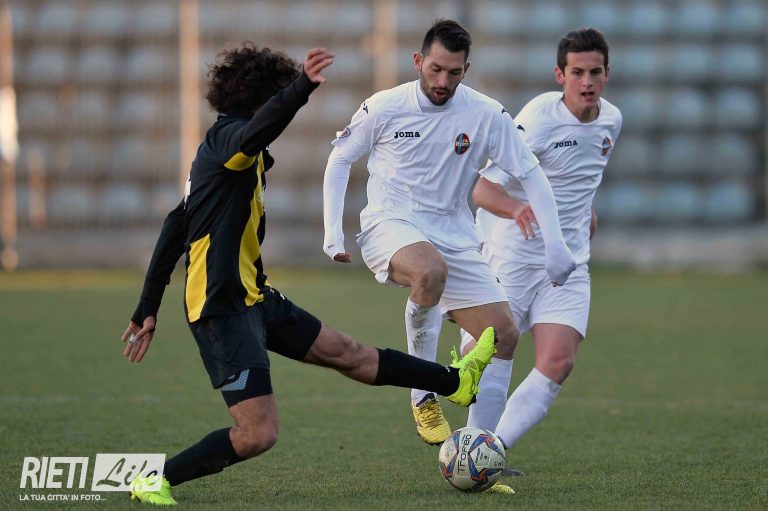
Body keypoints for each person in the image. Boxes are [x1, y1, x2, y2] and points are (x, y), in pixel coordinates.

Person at [120, 43, 497, 507]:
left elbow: (173, 224)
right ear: (264, 97)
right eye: (276, 96)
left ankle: (455, 382)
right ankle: (153, 479)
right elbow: (247, 142)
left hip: (255, 298)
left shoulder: (231, 152)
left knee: (347, 352)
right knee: (257, 433)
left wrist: (147, 306)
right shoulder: (229, 142)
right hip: (221, 309)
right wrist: (300, 89)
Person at [322, 18, 576, 459]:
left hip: (454, 235)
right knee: (429, 271)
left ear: (466, 69)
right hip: (390, 223)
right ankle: (423, 394)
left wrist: (556, 244)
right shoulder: (385, 106)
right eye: (435, 69)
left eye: (454, 72)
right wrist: (332, 233)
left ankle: (478, 453)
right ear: (418, 61)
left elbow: (530, 172)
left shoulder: (486, 114)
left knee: (503, 335)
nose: (443, 81)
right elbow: (340, 158)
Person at [461, 27, 622, 456]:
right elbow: (482, 189)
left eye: (595, 72)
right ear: (559, 75)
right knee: (488, 355)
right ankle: (472, 445)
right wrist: (517, 209)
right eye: (577, 72)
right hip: (513, 258)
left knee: (558, 362)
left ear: (607, 74)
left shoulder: (612, 120)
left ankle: (491, 452)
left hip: (568, 263)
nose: (586, 81)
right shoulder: (537, 119)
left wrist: (584, 211)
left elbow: (577, 178)